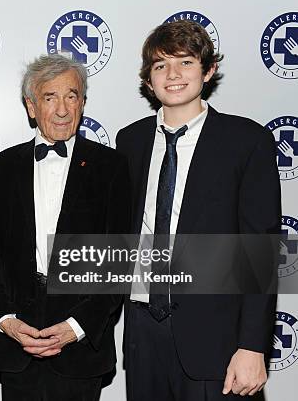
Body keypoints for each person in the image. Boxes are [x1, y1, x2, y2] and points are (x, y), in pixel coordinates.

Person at [115, 20, 280, 401]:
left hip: (217, 338)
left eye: (185, 62)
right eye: (160, 66)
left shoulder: (246, 141)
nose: (172, 75)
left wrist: (253, 346)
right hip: (142, 332)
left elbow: (259, 251)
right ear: (148, 80)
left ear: (208, 71)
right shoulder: (130, 140)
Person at [0, 54, 131, 400]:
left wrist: (75, 327)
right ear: (31, 106)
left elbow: (119, 262)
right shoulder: (1, 168)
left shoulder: (110, 167)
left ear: (82, 102)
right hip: (18, 341)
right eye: (50, 97)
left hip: (81, 344)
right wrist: (6, 320)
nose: (63, 109)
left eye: (72, 96)